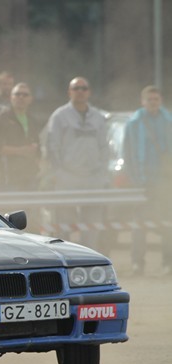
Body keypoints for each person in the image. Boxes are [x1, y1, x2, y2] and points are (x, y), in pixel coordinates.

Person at [46, 77, 109, 251]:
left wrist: (102, 173)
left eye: (83, 88)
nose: (80, 91)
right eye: (76, 88)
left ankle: (89, 260)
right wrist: (59, 173)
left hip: (93, 178)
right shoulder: (59, 116)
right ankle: (65, 258)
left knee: (92, 225)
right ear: (69, 92)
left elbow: (105, 147)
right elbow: (52, 147)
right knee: (64, 225)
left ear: (89, 92)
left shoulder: (97, 117)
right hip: (68, 178)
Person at [122, 85, 172, 276]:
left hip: (165, 181)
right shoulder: (134, 123)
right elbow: (127, 153)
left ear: (160, 101)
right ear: (143, 101)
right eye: (149, 99)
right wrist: (133, 178)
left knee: (168, 224)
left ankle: (168, 262)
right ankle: (137, 263)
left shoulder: (168, 121)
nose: (153, 103)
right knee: (139, 225)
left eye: (156, 99)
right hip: (142, 181)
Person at [0, 82, 41, 191]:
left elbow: (38, 147)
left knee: (31, 208)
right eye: (17, 94)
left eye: (25, 95)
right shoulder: (2, 119)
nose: (21, 97)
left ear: (30, 99)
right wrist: (21, 151)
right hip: (8, 178)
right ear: (11, 98)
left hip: (30, 177)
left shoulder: (33, 120)